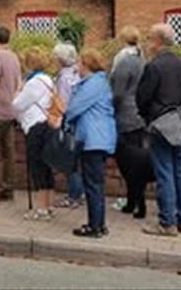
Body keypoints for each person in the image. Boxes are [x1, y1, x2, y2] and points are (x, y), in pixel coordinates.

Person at [136, 24, 181, 237]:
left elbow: (142, 97)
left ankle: (167, 222)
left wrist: (146, 116)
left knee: (164, 172)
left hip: (161, 122)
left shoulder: (154, 66)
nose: (148, 43)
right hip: (180, 122)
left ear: (158, 41)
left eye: (150, 38)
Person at [67, 48, 117, 238]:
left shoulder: (93, 84)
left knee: (93, 184)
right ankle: (98, 223)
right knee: (95, 183)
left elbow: (74, 108)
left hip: (93, 139)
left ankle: (95, 226)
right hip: (98, 138)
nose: (77, 67)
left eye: (79, 63)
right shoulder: (98, 82)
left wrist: (63, 119)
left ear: (86, 65)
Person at [109, 26, 149, 218]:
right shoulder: (142, 59)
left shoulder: (124, 62)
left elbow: (117, 93)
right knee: (138, 163)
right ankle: (135, 201)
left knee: (128, 165)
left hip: (125, 115)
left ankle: (132, 201)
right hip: (139, 115)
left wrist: (110, 110)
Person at [11, 47, 55, 221]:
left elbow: (17, 105)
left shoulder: (33, 83)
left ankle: (41, 208)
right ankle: (49, 204)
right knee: (47, 167)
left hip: (35, 127)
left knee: (38, 168)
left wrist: (18, 89)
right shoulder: (48, 80)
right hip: (47, 125)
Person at [0, 26, 21, 202]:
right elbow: (19, 84)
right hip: (11, 110)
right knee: (9, 151)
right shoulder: (15, 57)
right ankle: (9, 188)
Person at [52, 42, 85, 209]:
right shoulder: (77, 73)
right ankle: (80, 192)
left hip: (68, 122)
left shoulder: (63, 78)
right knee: (78, 160)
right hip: (80, 121)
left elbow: (62, 103)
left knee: (70, 161)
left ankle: (74, 195)